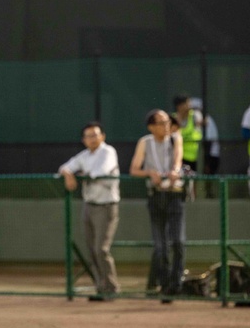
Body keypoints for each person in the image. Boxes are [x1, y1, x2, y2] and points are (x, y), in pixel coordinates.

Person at [58, 122, 121, 301]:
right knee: (92, 249)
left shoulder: (108, 152)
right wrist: (68, 174)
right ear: (83, 140)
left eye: (95, 135)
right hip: (89, 205)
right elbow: (65, 167)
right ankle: (101, 289)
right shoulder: (85, 155)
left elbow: (98, 172)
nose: (92, 139)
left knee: (101, 249)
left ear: (103, 136)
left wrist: (77, 175)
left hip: (107, 205)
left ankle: (112, 288)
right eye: (88, 136)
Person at [130, 109, 185, 302]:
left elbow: (178, 159)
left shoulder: (175, 138)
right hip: (155, 196)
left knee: (177, 241)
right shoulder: (145, 142)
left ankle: (176, 284)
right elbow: (134, 169)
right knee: (160, 245)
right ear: (151, 127)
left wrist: (175, 171)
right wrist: (149, 173)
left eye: (167, 122)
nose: (166, 126)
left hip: (174, 195)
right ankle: (164, 285)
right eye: (161, 123)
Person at [173, 94, 204, 172]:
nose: (189, 105)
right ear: (179, 106)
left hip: (195, 156)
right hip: (178, 156)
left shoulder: (195, 115)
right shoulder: (173, 118)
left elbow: (201, 123)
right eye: (186, 103)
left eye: (189, 103)